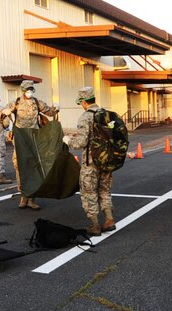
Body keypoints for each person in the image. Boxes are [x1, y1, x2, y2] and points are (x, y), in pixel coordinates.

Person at [62, 87, 115, 236]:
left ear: (84, 102)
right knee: (104, 190)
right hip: (106, 160)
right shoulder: (106, 114)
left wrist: (67, 140)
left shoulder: (85, 117)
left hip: (91, 162)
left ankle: (94, 225)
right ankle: (109, 219)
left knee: (88, 192)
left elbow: (81, 142)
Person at [1, 80, 59, 210]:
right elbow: (2, 118)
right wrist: (5, 114)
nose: (30, 92)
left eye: (31, 89)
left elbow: (50, 112)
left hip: (34, 138)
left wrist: (56, 108)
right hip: (21, 139)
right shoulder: (15, 103)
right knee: (19, 166)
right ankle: (23, 196)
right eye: (28, 89)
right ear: (22, 90)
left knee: (33, 167)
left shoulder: (37, 103)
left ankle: (32, 198)